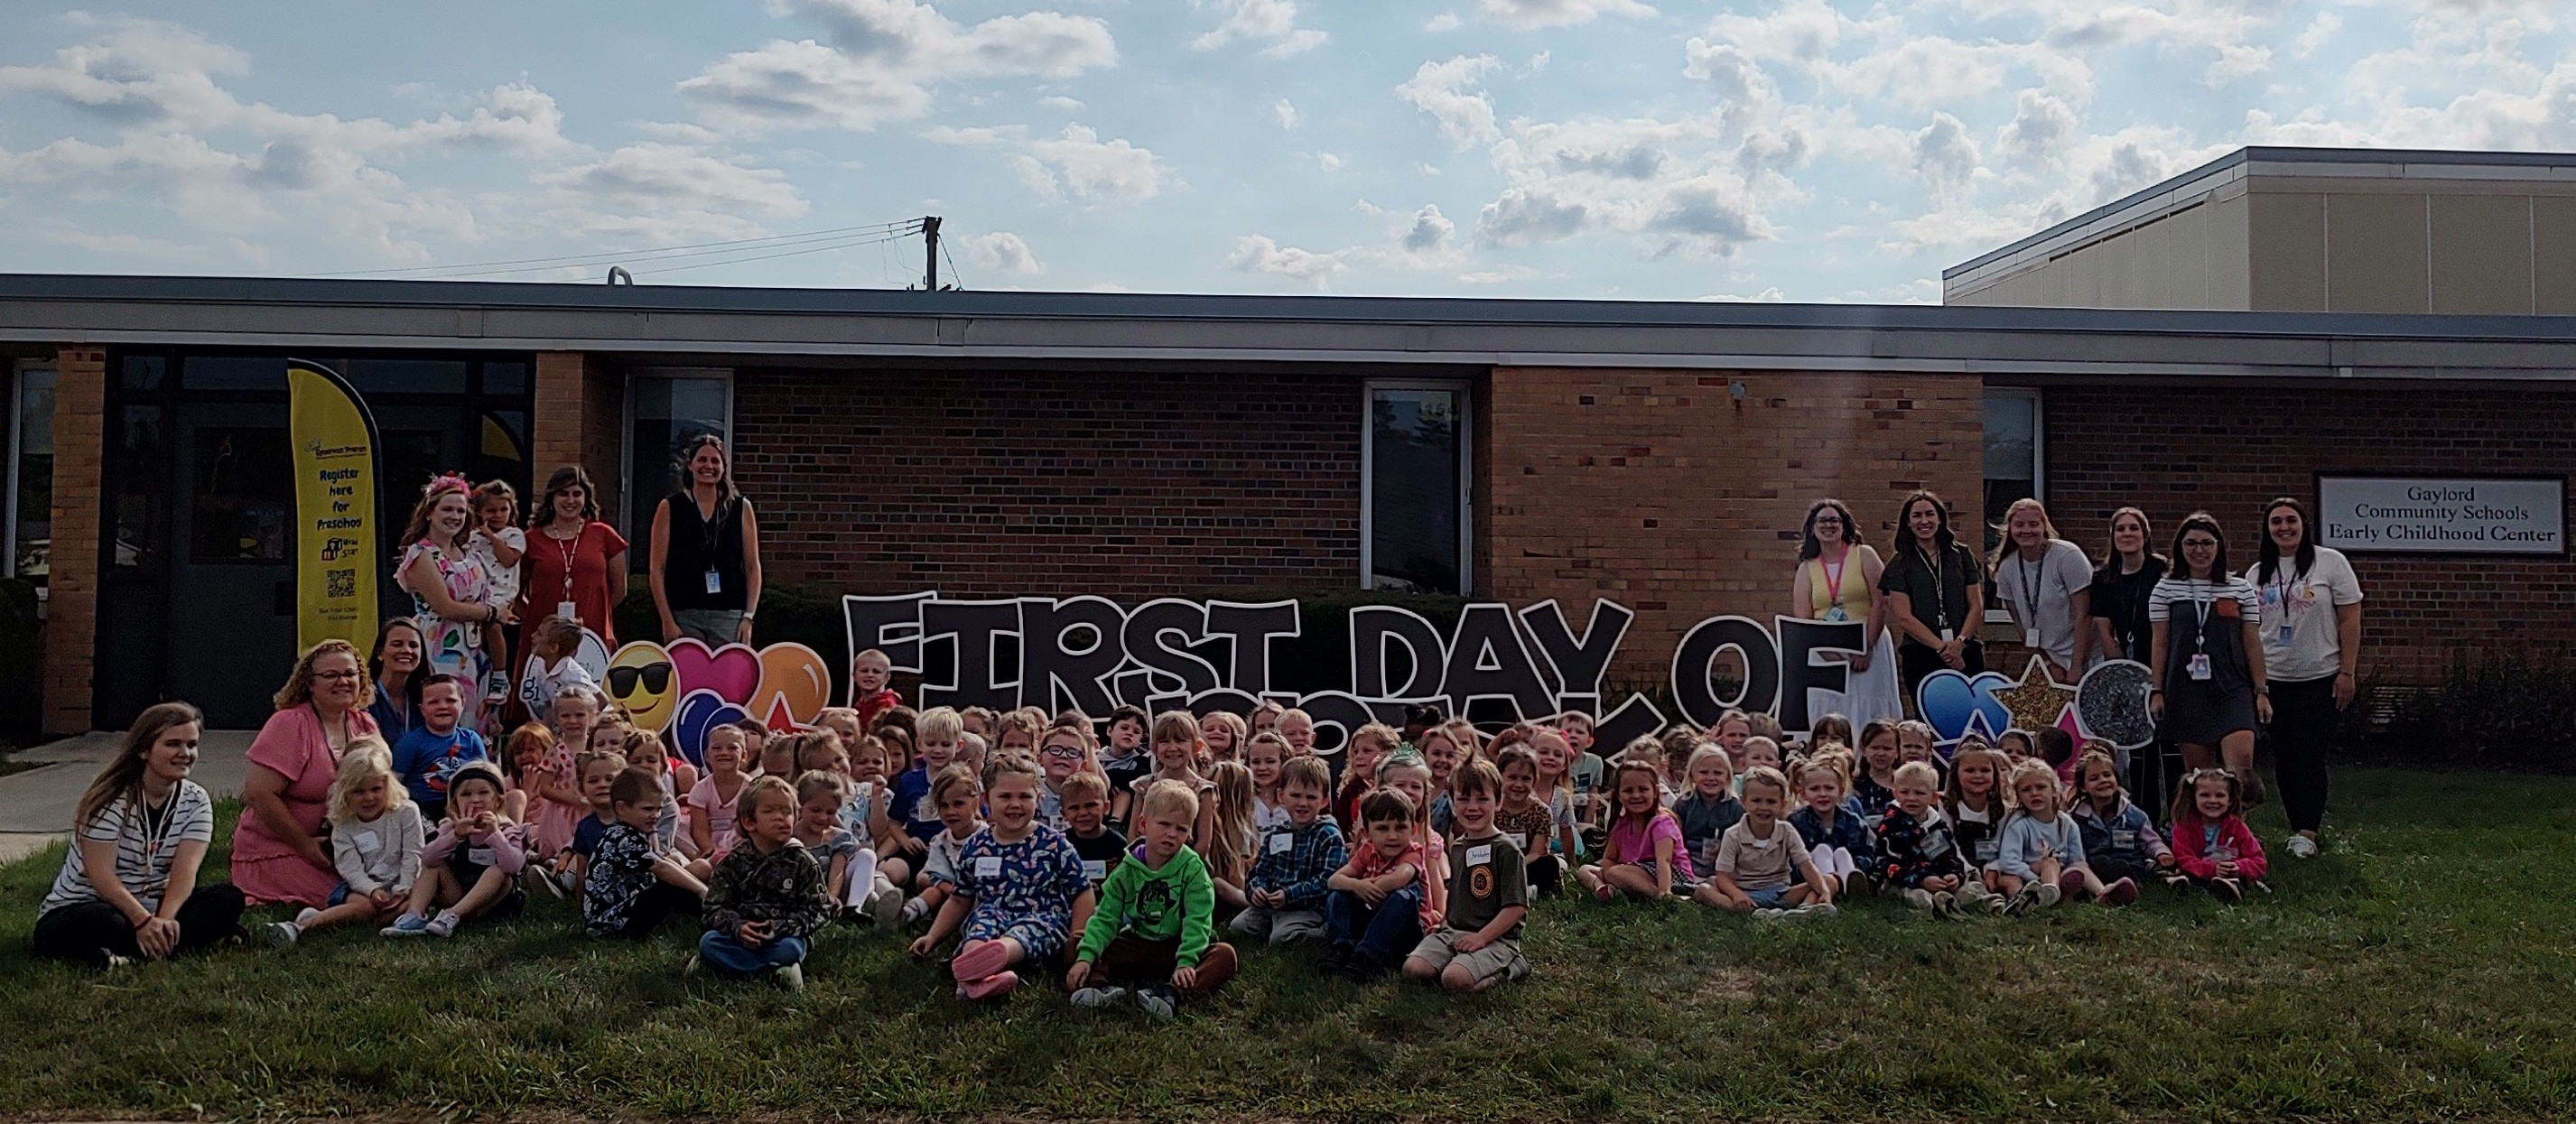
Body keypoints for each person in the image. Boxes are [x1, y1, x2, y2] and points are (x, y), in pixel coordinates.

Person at [33, 702, 246, 971]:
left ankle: (131, 953)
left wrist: (164, 922)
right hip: (92, 904)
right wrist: (142, 921)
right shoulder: (110, 799)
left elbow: (184, 873)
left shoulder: (196, 801)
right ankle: (170, 943)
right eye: (173, 744)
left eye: (191, 745)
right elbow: (101, 877)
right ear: (144, 750)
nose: (185, 753)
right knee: (106, 921)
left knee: (228, 898)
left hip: (154, 905)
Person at [909, 757, 1097, 1001]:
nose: (1015, 804)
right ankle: (975, 975)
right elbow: (959, 900)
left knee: (1022, 935)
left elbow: (1082, 891)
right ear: (987, 800)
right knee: (978, 930)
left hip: (1041, 916)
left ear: (1038, 799)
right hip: (992, 913)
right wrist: (933, 937)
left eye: (1024, 797)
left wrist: (1077, 937)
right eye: (1005, 797)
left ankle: (992, 962)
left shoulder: (1054, 844)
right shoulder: (976, 846)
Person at [1067, 779, 1240, 1017]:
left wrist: (1187, 962)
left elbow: (1197, 920)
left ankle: (1171, 993)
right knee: (1077, 942)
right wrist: (1086, 958)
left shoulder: (1193, 870)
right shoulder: (1126, 870)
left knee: (1225, 955)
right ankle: (1097, 987)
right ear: (1143, 824)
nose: (1172, 834)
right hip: (1137, 943)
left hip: (1176, 947)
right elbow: (1106, 917)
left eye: (1181, 829)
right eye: (1164, 824)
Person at [2250, 497, 2364, 859]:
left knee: (2309, 753)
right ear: (2268, 529)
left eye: (2291, 521)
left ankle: (2308, 831)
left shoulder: (2330, 563)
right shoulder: (2256, 573)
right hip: (2274, 679)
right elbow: (2249, 631)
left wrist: (2347, 672)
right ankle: (2295, 827)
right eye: (2276, 522)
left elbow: (2350, 620)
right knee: (2284, 756)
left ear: (2303, 525)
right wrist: (2257, 685)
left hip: (2320, 677)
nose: (2284, 528)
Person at [235, 640, 384, 908]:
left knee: (393, 894)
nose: (342, 681)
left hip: (347, 847)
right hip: (282, 848)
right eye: (331, 675)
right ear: (310, 683)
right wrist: (304, 844)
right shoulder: (290, 724)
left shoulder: (364, 724)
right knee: (364, 902)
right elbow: (258, 794)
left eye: (350, 674)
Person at [2149, 512, 2272, 804]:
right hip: (2187, 689)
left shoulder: (2239, 588)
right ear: (2180, 547)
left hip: (2233, 687)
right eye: (2191, 543)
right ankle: (2206, 829)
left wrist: (2261, 690)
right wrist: (2157, 689)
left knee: (2240, 771)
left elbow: (2252, 642)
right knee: (2201, 777)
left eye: (2207, 543)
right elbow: (2160, 643)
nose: (2199, 550)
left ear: (2219, 547)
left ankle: (2237, 828)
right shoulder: (2165, 589)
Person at [263, 738, 422, 946]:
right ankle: (299, 927)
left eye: (376, 789)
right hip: (363, 887)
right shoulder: (344, 823)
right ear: (345, 792)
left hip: (405, 883)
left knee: (412, 903)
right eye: (359, 792)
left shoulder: (407, 812)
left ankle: (329, 917)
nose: (369, 798)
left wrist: (403, 889)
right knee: (366, 908)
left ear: (387, 785)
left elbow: (413, 855)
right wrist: (372, 890)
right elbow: (351, 869)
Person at [1404, 759, 1531, 994]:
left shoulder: (1506, 850)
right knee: (1414, 969)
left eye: (1482, 799)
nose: (1472, 807)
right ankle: (1458, 959)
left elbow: (1516, 908)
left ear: (1498, 802)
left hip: (1495, 938)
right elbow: (1457, 894)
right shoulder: (1459, 847)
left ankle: (1510, 967)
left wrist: (1481, 938)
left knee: (1454, 979)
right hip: (1454, 931)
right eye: (1463, 799)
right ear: (1453, 803)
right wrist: (1443, 923)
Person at [396, 474, 512, 730]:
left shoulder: (468, 551)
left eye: (460, 511)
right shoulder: (421, 554)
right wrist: (492, 613)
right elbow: (445, 607)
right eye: (447, 509)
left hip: (474, 649)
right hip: (439, 649)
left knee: (474, 720)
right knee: (446, 714)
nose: (455, 516)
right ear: (429, 512)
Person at [696, 776, 833, 989]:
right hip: (740, 937)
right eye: (769, 811)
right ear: (749, 822)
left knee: (790, 950)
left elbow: (819, 910)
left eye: (786, 812)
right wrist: (738, 927)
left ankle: (729, 967)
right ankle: (773, 971)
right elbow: (713, 908)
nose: (780, 818)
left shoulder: (803, 862)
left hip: (782, 938)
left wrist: (779, 927)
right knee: (709, 942)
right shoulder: (733, 863)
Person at [2088, 506, 2173, 814]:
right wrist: (2116, 654)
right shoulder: (2103, 577)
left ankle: (2177, 819)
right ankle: (2145, 817)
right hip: (2129, 666)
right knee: (2140, 749)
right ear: (2112, 536)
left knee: (2170, 748)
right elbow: (2102, 623)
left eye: (2133, 528)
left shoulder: (2163, 571)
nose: (2127, 534)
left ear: (2145, 534)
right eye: (2121, 529)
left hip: (2165, 664)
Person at [384, 763, 525, 937]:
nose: (475, 799)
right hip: (457, 893)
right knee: (434, 866)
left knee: (498, 871)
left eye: (483, 792)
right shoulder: (450, 828)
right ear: (455, 803)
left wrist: (495, 834)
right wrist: (455, 836)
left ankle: (452, 915)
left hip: (492, 901)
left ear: (498, 801)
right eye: (466, 794)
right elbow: (427, 859)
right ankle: (414, 915)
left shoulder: (508, 830)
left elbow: (515, 867)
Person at [649, 434, 763, 646]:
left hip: (729, 616)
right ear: (690, 464)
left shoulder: (741, 508)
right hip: (684, 616)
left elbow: (752, 567)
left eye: (715, 461)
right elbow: (657, 569)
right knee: (687, 669)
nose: (708, 466)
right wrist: (667, 620)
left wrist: (748, 617)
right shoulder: (670, 507)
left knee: (729, 669)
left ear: (724, 467)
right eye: (702, 459)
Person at [1880, 489, 1986, 699]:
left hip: (1965, 648)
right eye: (1916, 516)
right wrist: (1944, 650)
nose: (1924, 521)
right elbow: (1903, 616)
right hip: (1921, 653)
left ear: (1940, 519)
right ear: (1908, 522)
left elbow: (1976, 605)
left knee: (1970, 715)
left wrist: (1959, 643)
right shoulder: (1899, 564)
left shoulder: (1962, 555)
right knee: (1928, 717)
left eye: (1929, 514)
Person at [1694, 766, 1835, 920]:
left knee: (1829, 881)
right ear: (1743, 801)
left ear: (1782, 805)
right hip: (1746, 894)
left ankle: (1804, 909)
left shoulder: (1787, 831)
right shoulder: (1733, 835)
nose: (1763, 807)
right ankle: (1751, 913)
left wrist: (1824, 891)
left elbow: (1806, 866)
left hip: (1781, 893)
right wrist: (1736, 894)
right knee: (1704, 890)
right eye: (1756, 801)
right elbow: (1723, 876)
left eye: (1771, 802)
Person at [1232, 755, 1345, 944]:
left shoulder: (1328, 835)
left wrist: (1290, 895)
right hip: (1272, 905)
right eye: (1295, 795)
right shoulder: (1277, 833)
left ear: (1324, 801)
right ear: (1281, 796)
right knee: (1238, 928)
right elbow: (1260, 870)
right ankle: (1275, 927)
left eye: (1311, 797)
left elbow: (1328, 880)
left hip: (1308, 907)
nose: (1303, 803)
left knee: (1281, 938)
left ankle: (1324, 934)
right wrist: (1257, 889)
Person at [1322, 788, 1433, 981]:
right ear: (1367, 832)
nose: (1392, 836)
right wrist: (1357, 886)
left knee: (1403, 896)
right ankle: (1341, 947)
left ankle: (1368, 957)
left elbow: (1400, 877)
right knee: (1337, 893)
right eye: (1383, 828)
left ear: (1413, 829)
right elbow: (1333, 880)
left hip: (1407, 932)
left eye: (1400, 828)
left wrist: (1368, 887)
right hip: (1374, 921)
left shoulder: (1413, 852)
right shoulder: (1367, 850)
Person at [585, 766, 709, 939]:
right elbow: (661, 868)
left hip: (621, 912)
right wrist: (702, 890)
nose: (656, 815)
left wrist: (698, 885)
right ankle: (712, 912)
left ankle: (711, 908)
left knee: (675, 868)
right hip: (611, 923)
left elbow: (662, 860)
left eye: (658, 809)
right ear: (622, 808)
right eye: (648, 809)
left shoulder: (630, 832)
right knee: (669, 886)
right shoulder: (622, 838)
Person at [520, 466, 629, 654]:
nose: (570, 500)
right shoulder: (530, 539)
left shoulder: (605, 535)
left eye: (577, 494)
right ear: (552, 497)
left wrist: (597, 612)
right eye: (563, 494)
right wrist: (534, 618)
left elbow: (619, 589)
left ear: (586, 498)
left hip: (593, 636)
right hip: (543, 640)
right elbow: (515, 593)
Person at [1792, 498, 1891, 696]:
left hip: (1867, 646)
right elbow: (1803, 618)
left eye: (1834, 520)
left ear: (1844, 525)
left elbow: (1881, 602)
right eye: (1822, 520)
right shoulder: (1806, 568)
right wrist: (1828, 654)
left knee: (1868, 703)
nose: (1828, 525)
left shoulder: (1864, 555)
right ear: (1812, 528)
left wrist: (1866, 648)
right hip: (1825, 650)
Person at [1990, 498, 2095, 681]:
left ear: (2044, 526)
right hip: (2049, 662)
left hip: (2087, 656)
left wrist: (2076, 667)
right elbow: (2021, 625)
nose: (2026, 530)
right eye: (2019, 525)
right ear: (2009, 528)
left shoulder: (2067, 556)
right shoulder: (2007, 568)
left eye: (2033, 524)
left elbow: (2084, 615)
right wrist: (2047, 664)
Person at [1576, 759, 1693, 901]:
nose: (1636, 795)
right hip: (1636, 872)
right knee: (1585, 870)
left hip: (1671, 875)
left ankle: (1664, 898)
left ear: (1655, 792)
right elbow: (1609, 858)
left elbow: (1665, 860)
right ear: (1619, 795)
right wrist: (1612, 875)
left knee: (1615, 872)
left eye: (1643, 790)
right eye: (1628, 791)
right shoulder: (1621, 824)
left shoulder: (1662, 821)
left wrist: (1664, 890)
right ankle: (1606, 890)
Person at [390, 674, 488, 822]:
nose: (443, 706)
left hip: (465, 806)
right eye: (433, 702)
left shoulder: (472, 739)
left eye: (450, 700)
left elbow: (486, 778)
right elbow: (393, 786)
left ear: (463, 704)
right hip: (426, 812)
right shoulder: (409, 744)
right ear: (422, 709)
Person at [1874, 761, 1967, 915]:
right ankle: (1935, 908)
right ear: (1895, 794)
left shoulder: (1938, 825)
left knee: (1967, 888)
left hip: (1936, 879)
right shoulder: (1891, 824)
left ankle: (1990, 903)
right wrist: (1921, 879)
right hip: (1902, 881)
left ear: (1933, 797)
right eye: (1904, 792)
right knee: (1917, 895)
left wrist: (1953, 875)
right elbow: (1886, 863)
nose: (1911, 798)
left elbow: (1948, 856)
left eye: (1920, 793)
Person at [2069, 751, 2169, 896]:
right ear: (2083, 787)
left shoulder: (2134, 815)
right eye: (2094, 778)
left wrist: (2161, 852)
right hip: (2096, 871)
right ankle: (2101, 890)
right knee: (2096, 863)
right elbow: (2078, 851)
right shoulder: (2077, 820)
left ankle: (2128, 888)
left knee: (2128, 867)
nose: (2103, 780)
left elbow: (2150, 841)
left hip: (2130, 868)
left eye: (2107, 775)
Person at [1993, 761, 2081, 915]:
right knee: (2011, 881)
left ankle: (2051, 893)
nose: (2034, 793)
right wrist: (2034, 879)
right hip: (2023, 873)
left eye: (2041, 787)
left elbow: (2077, 859)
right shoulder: (2019, 824)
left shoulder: (2067, 824)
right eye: (2026, 790)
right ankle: (2023, 901)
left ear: (2054, 790)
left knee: (2053, 864)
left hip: (2056, 872)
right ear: (2019, 796)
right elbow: (2008, 861)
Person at [2167, 767, 2268, 903]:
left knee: (2240, 881)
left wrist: (2238, 867)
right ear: (2193, 798)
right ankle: (2185, 888)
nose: (2213, 800)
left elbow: (2258, 862)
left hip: (2231, 876)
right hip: (2198, 873)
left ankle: (2228, 890)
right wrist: (2212, 869)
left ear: (2230, 799)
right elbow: (2183, 859)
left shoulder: (2237, 826)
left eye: (2220, 795)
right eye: (2205, 795)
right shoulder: (2183, 825)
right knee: (2185, 875)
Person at [1785, 755, 1872, 899]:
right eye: (1815, 789)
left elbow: (1867, 854)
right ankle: (1829, 886)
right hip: (1811, 878)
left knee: (1842, 852)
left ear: (1841, 791)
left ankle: (1849, 886)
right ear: (1803, 794)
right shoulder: (1795, 822)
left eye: (1829, 788)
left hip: (1847, 868)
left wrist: (1858, 866)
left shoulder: (1853, 822)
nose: (1823, 794)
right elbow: (1790, 861)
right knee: (1822, 849)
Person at [367, 618, 429, 744]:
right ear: (380, 653)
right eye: (397, 644)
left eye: (413, 645)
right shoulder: (362, 699)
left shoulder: (427, 699)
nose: (407, 650)